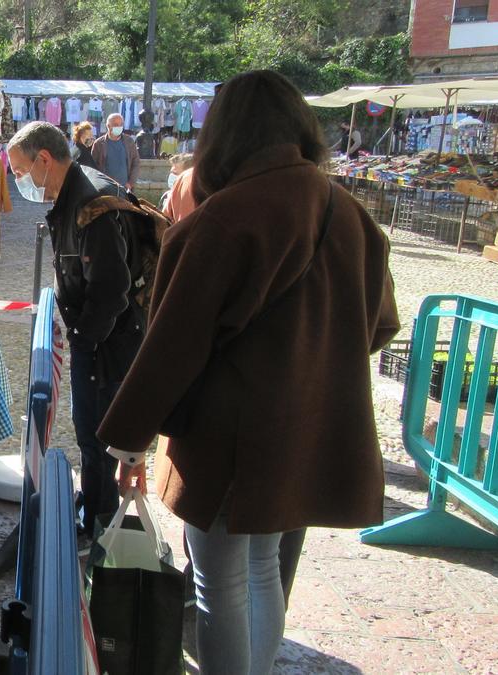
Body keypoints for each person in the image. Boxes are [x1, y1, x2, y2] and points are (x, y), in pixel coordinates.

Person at [98, 70, 399, 674]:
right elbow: (381, 325)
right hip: (307, 428)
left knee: (220, 582)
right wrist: (311, 359)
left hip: (233, 439)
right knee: (264, 570)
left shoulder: (224, 219)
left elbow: (173, 347)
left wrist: (128, 439)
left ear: (224, 135)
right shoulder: (350, 213)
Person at [6, 121, 145, 538]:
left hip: (108, 342)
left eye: (19, 171)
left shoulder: (90, 203)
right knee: (94, 434)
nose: (19, 181)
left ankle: (99, 528)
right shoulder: (76, 192)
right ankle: (96, 507)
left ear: (44, 160)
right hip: (102, 337)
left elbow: (111, 288)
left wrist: (83, 339)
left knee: (95, 435)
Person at [91, 113, 141, 192]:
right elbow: (93, 167)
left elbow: (136, 163)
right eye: (115, 124)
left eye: (121, 124)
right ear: (108, 126)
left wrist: (130, 183)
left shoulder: (129, 142)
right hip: (105, 189)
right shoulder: (99, 144)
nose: (119, 127)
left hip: (125, 188)